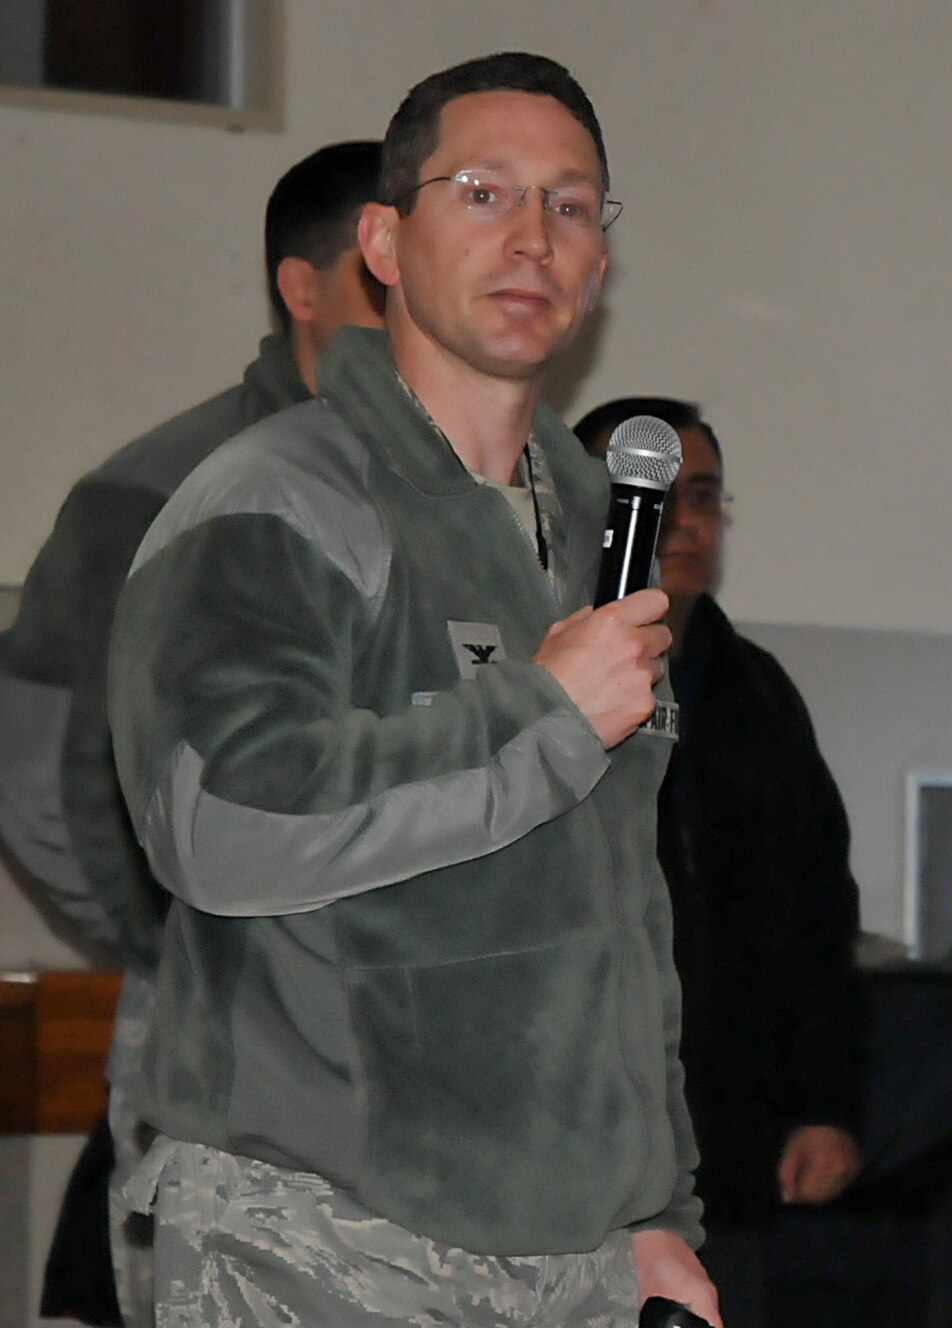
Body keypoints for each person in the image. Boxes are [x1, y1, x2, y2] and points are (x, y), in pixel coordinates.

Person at [103, 53, 718, 1326]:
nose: (532, 236)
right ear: (384, 241)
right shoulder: (278, 497)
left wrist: (653, 1211)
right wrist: (541, 715)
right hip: (319, 1236)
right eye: (483, 191)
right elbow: (220, 821)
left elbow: (617, 913)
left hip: (567, 1256)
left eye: (568, 205)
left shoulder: (605, 533)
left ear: (600, 261)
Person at [0, 138, 384, 1328]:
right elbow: (35, 760)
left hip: (417, 1048)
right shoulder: (165, 488)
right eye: (381, 280)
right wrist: (177, 933)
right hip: (227, 1044)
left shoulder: (462, 502)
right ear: (301, 287)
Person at [575, 396, 865, 1328]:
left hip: (726, 1148)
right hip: (569, 1144)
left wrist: (826, 1104)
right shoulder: (533, 681)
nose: (688, 522)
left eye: (704, 496)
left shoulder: (758, 695)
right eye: (659, 496)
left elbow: (822, 910)